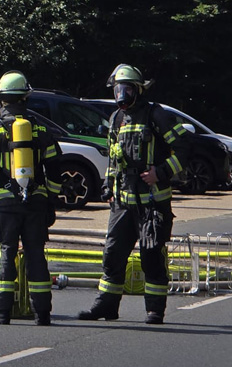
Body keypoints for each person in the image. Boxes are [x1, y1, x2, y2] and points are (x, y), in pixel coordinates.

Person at [78, 64, 189, 325]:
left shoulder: (156, 115)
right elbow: (113, 157)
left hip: (152, 202)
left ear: (138, 90)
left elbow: (183, 149)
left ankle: (154, 310)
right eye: (118, 89)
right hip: (122, 203)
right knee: (112, 253)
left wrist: (160, 173)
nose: (121, 94)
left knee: (151, 254)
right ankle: (106, 305)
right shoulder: (116, 118)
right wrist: (107, 187)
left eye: (126, 89)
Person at [0, 71, 62, 325]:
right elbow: (55, 168)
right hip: (36, 204)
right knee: (36, 254)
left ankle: (0, 311)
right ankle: (42, 313)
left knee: (6, 252)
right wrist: (50, 200)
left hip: (5, 205)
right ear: (25, 98)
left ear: (1, 99)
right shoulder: (42, 129)